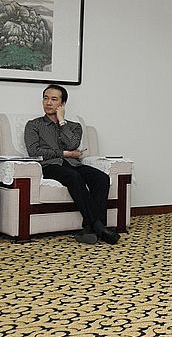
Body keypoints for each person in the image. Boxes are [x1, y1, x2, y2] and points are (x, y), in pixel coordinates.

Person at [25, 84, 119, 245]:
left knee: (101, 178)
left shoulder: (74, 127)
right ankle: (99, 227)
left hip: (74, 164)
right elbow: (34, 151)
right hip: (50, 166)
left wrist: (62, 121)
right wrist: (65, 154)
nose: (48, 102)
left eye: (54, 99)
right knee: (74, 177)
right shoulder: (33, 125)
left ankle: (90, 229)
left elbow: (72, 144)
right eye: (45, 98)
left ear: (62, 104)